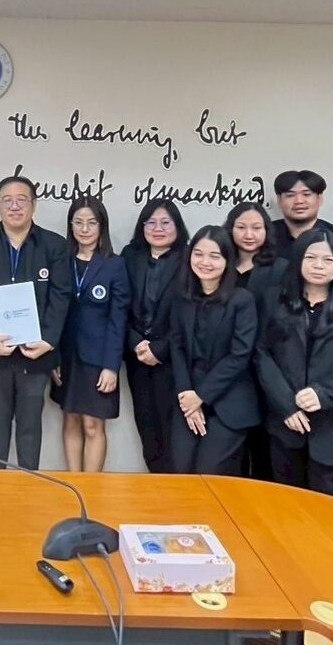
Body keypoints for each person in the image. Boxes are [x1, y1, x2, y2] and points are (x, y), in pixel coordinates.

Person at [256, 229, 333, 502]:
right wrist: (286, 405)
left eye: (328, 260)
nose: (318, 266)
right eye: (311, 257)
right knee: (287, 507)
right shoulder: (274, 301)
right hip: (286, 427)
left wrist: (323, 394)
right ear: (298, 260)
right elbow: (261, 354)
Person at [0, 176, 73, 471]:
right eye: (7, 200)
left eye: (21, 200)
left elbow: (61, 295)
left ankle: (29, 486)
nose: (15, 206)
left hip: (36, 352)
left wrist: (48, 341)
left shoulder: (54, 244)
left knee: (30, 426)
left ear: (33, 204)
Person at [168, 225, 259, 476]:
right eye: (198, 254)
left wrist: (201, 396)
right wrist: (187, 394)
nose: (205, 262)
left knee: (209, 471)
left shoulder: (242, 300)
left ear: (227, 260)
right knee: (180, 469)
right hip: (188, 395)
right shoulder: (182, 298)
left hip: (228, 398)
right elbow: (176, 345)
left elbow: (240, 355)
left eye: (214, 256)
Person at [50, 197, 130, 472]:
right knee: (70, 418)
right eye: (78, 222)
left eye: (91, 223)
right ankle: (73, 484)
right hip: (67, 356)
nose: (84, 229)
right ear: (70, 225)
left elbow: (118, 319)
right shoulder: (61, 261)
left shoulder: (114, 265)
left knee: (93, 424)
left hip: (98, 358)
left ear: (102, 226)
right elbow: (53, 312)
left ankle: (91, 488)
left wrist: (111, 366)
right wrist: (54, 356)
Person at [120, 199, 188, 473]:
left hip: (173, 360)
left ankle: (176, 488)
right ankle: (157, 485)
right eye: (151, 222)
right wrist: (135, 342)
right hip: (136, 357)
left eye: (165, 223)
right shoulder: (130, 256)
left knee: (175, 433)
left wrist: (160, 349)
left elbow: (192, 314)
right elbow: (119, 306)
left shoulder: (190, 258)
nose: (158, 229)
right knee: (148, 429)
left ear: (177, 226)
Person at [225, 201, 287, 481]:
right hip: (228, 366)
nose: (249, 234)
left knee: (264, 446)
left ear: (267, 231)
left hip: (265, 365)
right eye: (241, 227)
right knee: (231, 447)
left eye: (256, 227)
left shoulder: (282, 268)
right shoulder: (220, 265)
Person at [271, 169, 333, 260]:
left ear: (320, 199)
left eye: (306, 194)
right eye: (290, 195)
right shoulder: (264, 236)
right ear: (279, 200)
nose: (299, 201)